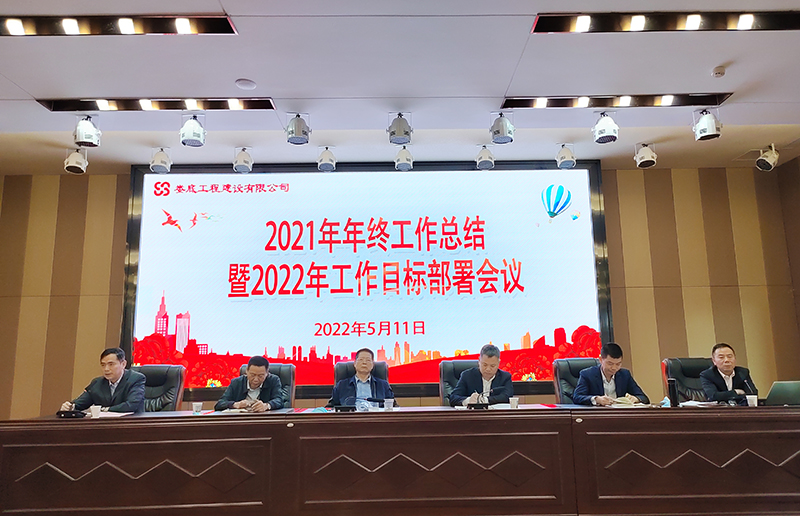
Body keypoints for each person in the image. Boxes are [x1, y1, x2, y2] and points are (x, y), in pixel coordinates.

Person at [60, 348, 146, 414]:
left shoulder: (136, 379)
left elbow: (131, 405)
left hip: (131, 425)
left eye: (111, 364)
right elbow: (81, 403)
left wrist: (104, 410)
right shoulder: (97, 383)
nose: (106, 369)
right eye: (103, 365)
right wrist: (70, 406)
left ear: (123, 364)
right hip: (105, 426)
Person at [573, 342, 649, 406]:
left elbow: (644, 398)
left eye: (618, 364)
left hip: (620, 414)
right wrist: (597, 399)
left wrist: (636, 398)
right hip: (598, 415)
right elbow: (577, 397)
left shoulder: (625, 375)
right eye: (610, 364)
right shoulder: (587, 374)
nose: (614, 368)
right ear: (600, 360)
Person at [327, 348, 396, 408]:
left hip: (376, 417)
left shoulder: (383, 385)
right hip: (351, 417)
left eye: (368, 360)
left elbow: (393, 406)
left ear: (372, 365)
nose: (364, 362)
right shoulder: (342, 385)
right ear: (355, 364)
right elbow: (331, 407)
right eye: (361, 360)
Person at [449, 344, 513, 407]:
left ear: (498, 363)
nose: (488, 369)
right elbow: (453, 397)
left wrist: (484, 400)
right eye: (485, 365)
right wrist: (468, 400)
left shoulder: (505, 377)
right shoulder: (467, 376)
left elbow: (507, 397)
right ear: (479, 361)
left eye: (492, 366)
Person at [215, 355, 283, 412]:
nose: (256, 379)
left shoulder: (273, 380)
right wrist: (235, 404)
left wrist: (266, 406)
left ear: (267, 373)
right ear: (247, 371)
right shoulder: (236, 383)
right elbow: (220, 404)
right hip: (241, 420)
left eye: (260, 376)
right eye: (252, 375)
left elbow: (279, 400)